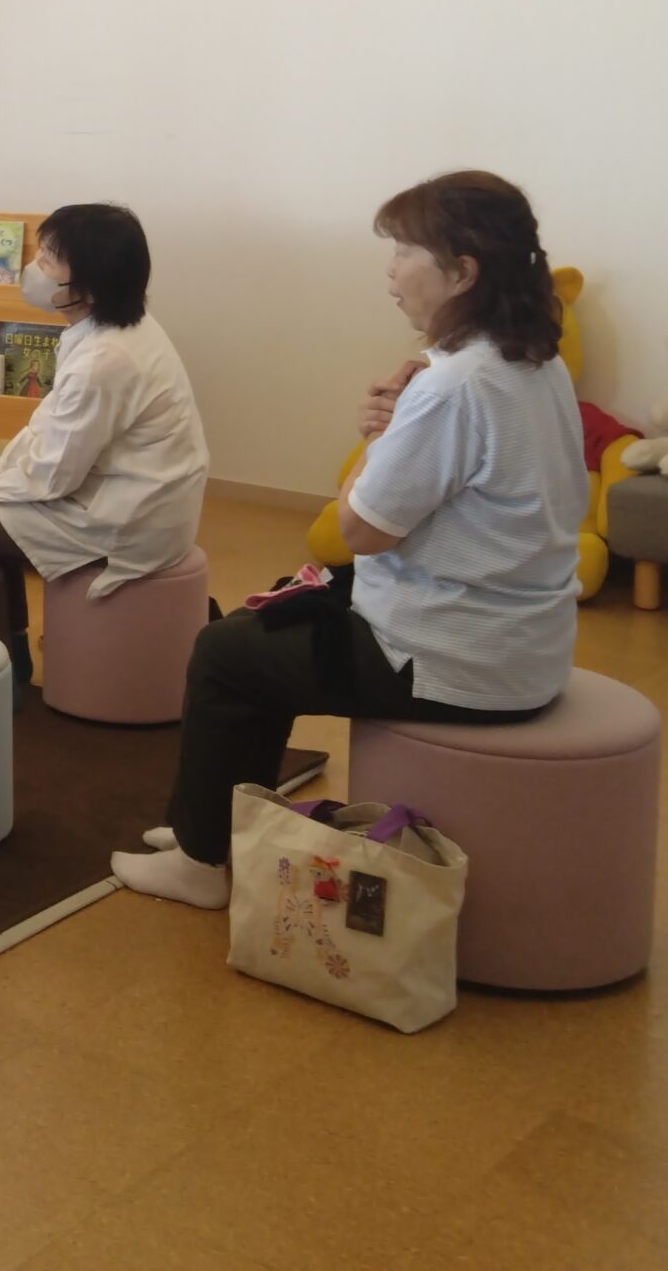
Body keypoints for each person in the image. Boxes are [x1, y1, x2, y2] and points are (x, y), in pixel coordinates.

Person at [112, 172, 585, 908]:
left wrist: (378, 438)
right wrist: (392, 431)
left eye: (404, 253)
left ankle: (201, 862)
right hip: (523, 639)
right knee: (270, 622)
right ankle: (215, 825)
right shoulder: (534, 362)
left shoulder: (454, 385)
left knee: (226, 654)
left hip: (455, 659)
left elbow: (358, 532)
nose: (390, 274)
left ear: (463, 272)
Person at [0, 204, 208, 704]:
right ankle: (6, 658)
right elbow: (51, 426)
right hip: (126, 493)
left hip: (128, 515)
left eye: (50, 259)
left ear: (90, 285)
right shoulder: (112, 330)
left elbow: (55, 474)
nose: (34, 267)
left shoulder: (105, 359)